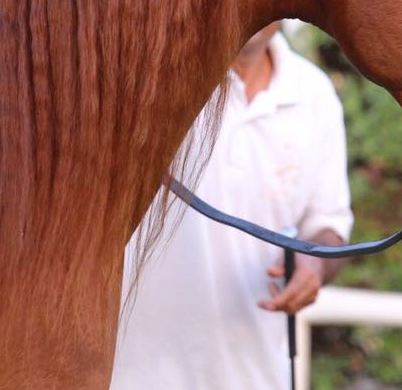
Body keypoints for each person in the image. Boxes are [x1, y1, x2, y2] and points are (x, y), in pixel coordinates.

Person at [111, 23, 353, 390]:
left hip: (259, 378)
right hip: (130, 378)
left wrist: (313, 263)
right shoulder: (153, 79)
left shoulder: (314, 94)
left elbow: (329, 226)